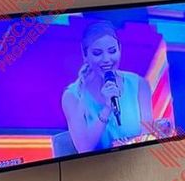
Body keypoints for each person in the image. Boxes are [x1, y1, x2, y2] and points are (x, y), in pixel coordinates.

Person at [62, 20, 154, 152]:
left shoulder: (140, 85)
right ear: (85, 54)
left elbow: (147, 138)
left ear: (120, 49)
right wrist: (107, 108)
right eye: (97, 53)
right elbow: (84, 149)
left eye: (112, 51)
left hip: (136, 158)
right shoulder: (72, 96)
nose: (106, 59)